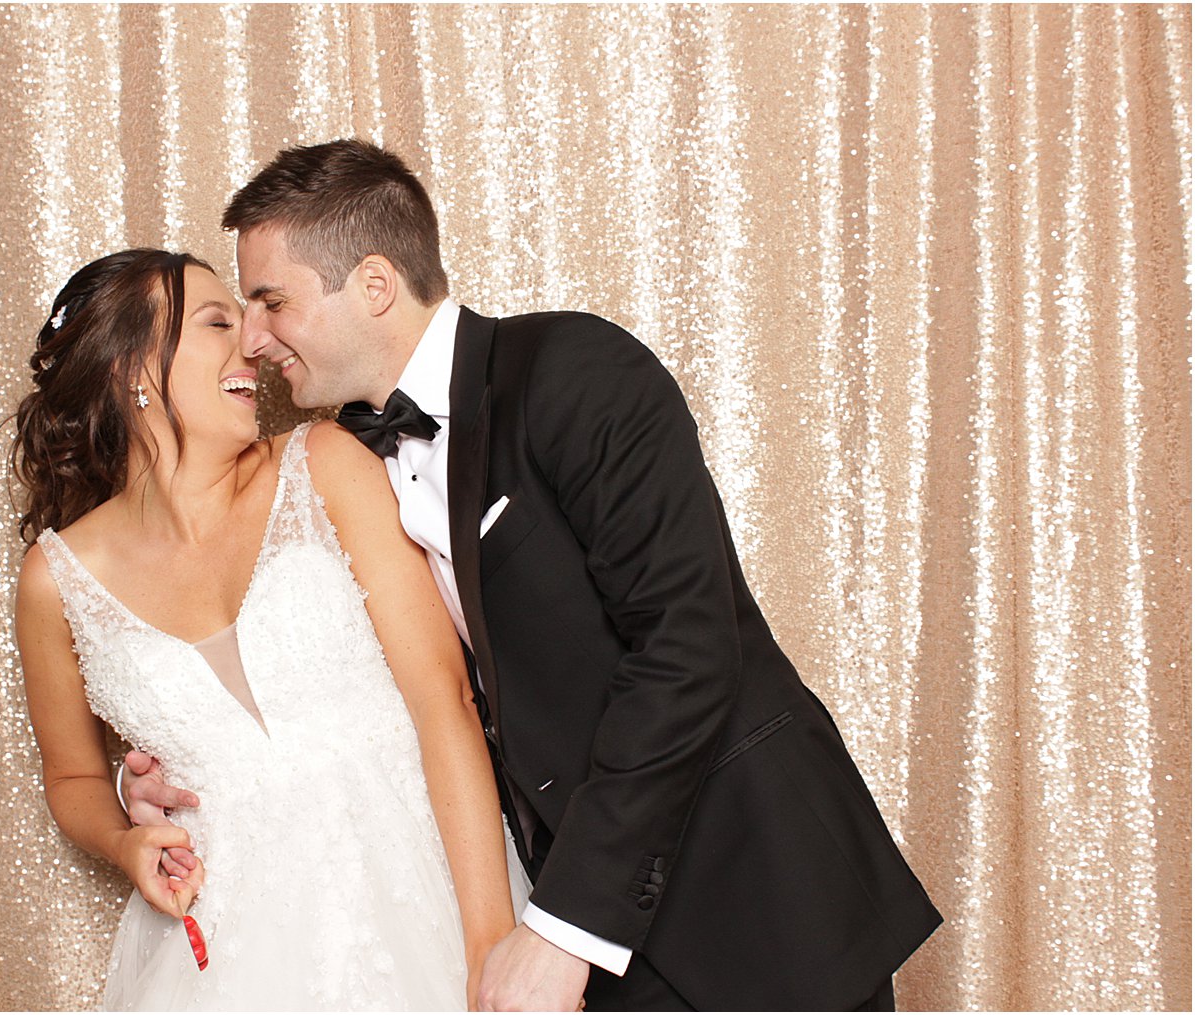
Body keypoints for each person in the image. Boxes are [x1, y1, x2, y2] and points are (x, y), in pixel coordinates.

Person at [124, 139, 943, 1011]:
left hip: (751, 893)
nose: (253, 337)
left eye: (270, 300)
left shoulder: (575, 372)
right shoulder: (339, 467)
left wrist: (561, 929)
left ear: (372, 285)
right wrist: (173, 759)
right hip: (584, 924)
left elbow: (687, 649)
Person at [10, 248, 522, 1010]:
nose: (254, 341)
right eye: (217, 321)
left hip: (423, 898)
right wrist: (122, 841)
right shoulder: (55, 581)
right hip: (228, 952)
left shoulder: (326, 465)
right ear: (130, 371)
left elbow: (444, 701)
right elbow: (74, 777)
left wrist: (490, 952)